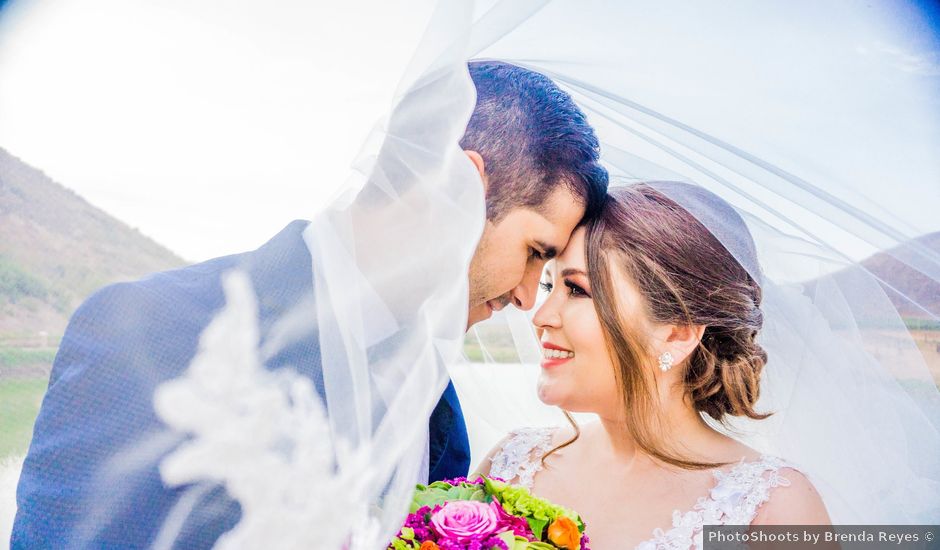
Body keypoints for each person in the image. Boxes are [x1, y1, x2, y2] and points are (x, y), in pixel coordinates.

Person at [11, 61, 608, 549]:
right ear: (457, 186)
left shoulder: (436, 411)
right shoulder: (145, 328)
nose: (530, 297)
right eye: (535, 252)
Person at [476, 183, 831, 550]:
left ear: (677, 334)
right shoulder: (510, 465)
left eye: (579, 290)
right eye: (550, 286)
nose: (541, 316)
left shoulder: (772, 510)